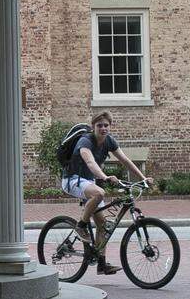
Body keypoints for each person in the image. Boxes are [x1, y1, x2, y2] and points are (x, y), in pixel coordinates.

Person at [61, 111, 153, 275]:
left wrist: (143, 178)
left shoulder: (109, 141)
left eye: (106, 125)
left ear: (110, 126)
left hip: (89, 182)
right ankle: (81, 226)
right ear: (93, 127)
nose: (103, 128)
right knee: (99, 193)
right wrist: (104, 177)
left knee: (103, 225)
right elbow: (90, 162)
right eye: (99, 126)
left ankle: (101, 264)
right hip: (73, 179)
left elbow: (125, 160)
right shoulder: (85, 141)